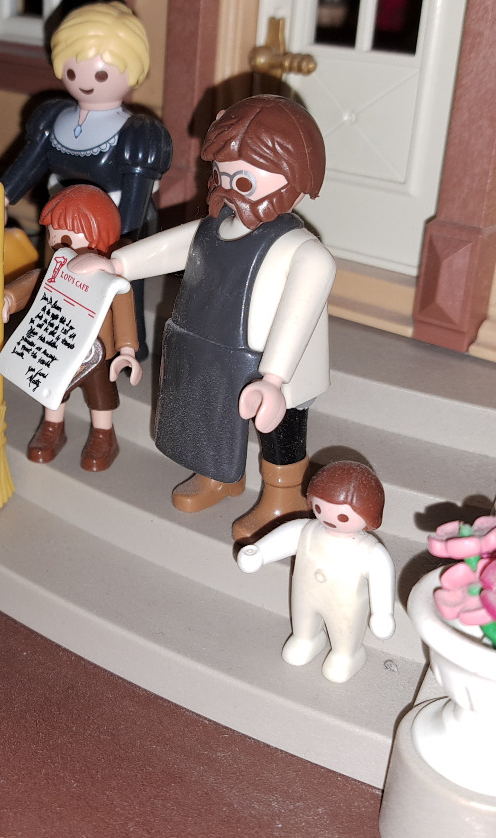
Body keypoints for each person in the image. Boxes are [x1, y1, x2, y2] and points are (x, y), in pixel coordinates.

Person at [72, 95, 335, 543]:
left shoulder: (305, 253)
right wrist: (117, 265)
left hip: (277, 364)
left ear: (295, 176)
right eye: (223, 175)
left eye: (244, 179)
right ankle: (218, 475)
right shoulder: (215, 227)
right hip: (212, 346)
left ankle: (284, 495)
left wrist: (274, 378)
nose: (230, 189)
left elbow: (299, 315)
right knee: (210, 416)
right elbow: (174, 246)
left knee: (281, 430)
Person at [1, 1, 171, 354]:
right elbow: (30, 162)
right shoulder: (53, 118)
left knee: (119, 283)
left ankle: (124, 344)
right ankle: (54, 342)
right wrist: (2, 196)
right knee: (55, 276)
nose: (85, 83)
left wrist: (122, 243)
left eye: (101, 75)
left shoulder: (137, 134)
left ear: (133, 70)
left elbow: (136, 198)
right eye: (72, 71)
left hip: (118, 220)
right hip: (61, 219)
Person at [0, 185, 140, 471]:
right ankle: (52, 428)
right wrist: (7, 298)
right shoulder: (56, 272)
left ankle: (104, 435)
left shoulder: (111, 280)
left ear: (100, 235)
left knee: (100, 396)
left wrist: (127, 351)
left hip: (97, 351)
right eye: (53, 237)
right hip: (57, 344)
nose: (58, 245)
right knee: (52, 387)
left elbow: (124, 313)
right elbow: (33, 282)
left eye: (67, 239)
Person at [235, 461, 396, 683]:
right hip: (306, 595)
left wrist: (382, 613)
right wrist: (260, 552)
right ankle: (306, 639)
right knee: (303, 621)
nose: (329, 518)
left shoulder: (368, 551)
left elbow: (382, 575)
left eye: (342, 517)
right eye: (319, 508)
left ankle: (347, 655)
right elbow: (285, 538)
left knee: (345, 632)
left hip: (346, 604)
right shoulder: (307, 530)